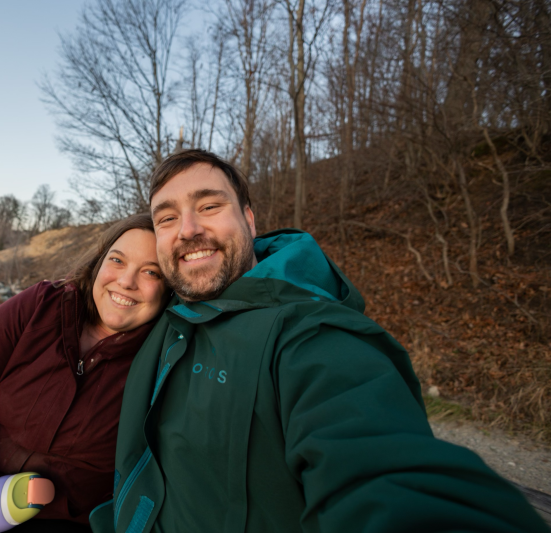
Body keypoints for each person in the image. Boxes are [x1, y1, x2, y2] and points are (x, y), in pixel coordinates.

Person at [90, 150, 549, 533]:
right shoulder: (164, 309)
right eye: (167, 218)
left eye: (209, 206)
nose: (187, 228)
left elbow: (386, 474)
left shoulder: (308, 336)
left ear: (249, 220)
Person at [0, 214, 169, 533]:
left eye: (151, 271)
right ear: (98, 262)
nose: (126, 281)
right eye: (117, 260)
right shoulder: (40, 306)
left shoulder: (164, 360)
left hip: (69, 519)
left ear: (168, 289)